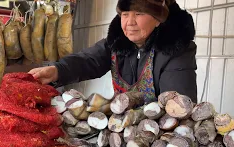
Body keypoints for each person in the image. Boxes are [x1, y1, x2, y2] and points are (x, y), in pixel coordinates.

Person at [29, 0, 198, 103]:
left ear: (158, 19)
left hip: (159, 139)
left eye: (139, 13)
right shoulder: (117, 44)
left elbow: (178, 108)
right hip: (120, 133)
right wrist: (57, 70)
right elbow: (88, 60)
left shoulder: (176, 51)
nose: (130, 22)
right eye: (125, 14)